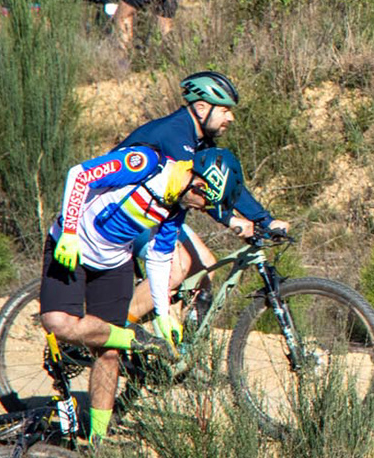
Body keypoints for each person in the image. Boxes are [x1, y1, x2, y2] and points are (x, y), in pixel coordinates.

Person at [39, 144, 277, 442]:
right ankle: (132, 337)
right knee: (57, 324)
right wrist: (70, 232)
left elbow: (159, 257)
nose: (201, 208)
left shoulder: (176, 208)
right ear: (199, 184)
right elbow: (80, 175)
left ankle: (96, 442)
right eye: (205, 201)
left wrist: (164, 315)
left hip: (114, 264)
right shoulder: (144, 163)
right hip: (70, 246)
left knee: (108, 354)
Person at [117, 70, 277, 322]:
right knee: (175, 269)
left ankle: (176, 340)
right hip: (123, 212)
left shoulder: (200, 140)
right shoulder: (175, 134)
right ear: (201, 108)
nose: (231, 117)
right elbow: (197, 190)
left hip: (155, 214)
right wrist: (232, 221)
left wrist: (265, 220)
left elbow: (224, 185)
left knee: (204, 266)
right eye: (224, 110)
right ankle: (113, 333)